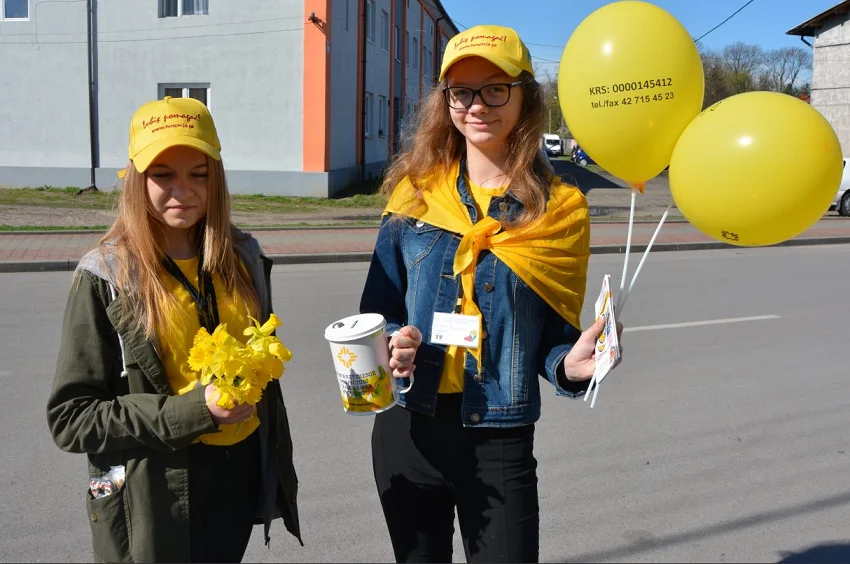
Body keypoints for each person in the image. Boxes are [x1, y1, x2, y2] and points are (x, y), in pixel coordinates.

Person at [359, 25, 623, 563]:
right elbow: (379, 311)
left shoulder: (561, 207)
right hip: (407, 429)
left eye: (495, 88)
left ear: (525, 95)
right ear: (446, 101)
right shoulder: (415, 191)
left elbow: (552, 335)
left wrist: (569, 366)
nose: (477, 105)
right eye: (462, 91)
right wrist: (392, 343)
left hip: (498, 435)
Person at [46, 96, 301, 563]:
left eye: (198, 174)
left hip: (237, 480)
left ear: (216, 178)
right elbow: (72, 418)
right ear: (136, 180)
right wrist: (191, 412)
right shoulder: (106, 275)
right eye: (162, 174)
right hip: (157, 494)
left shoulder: (243, 257)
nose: (182, 189)